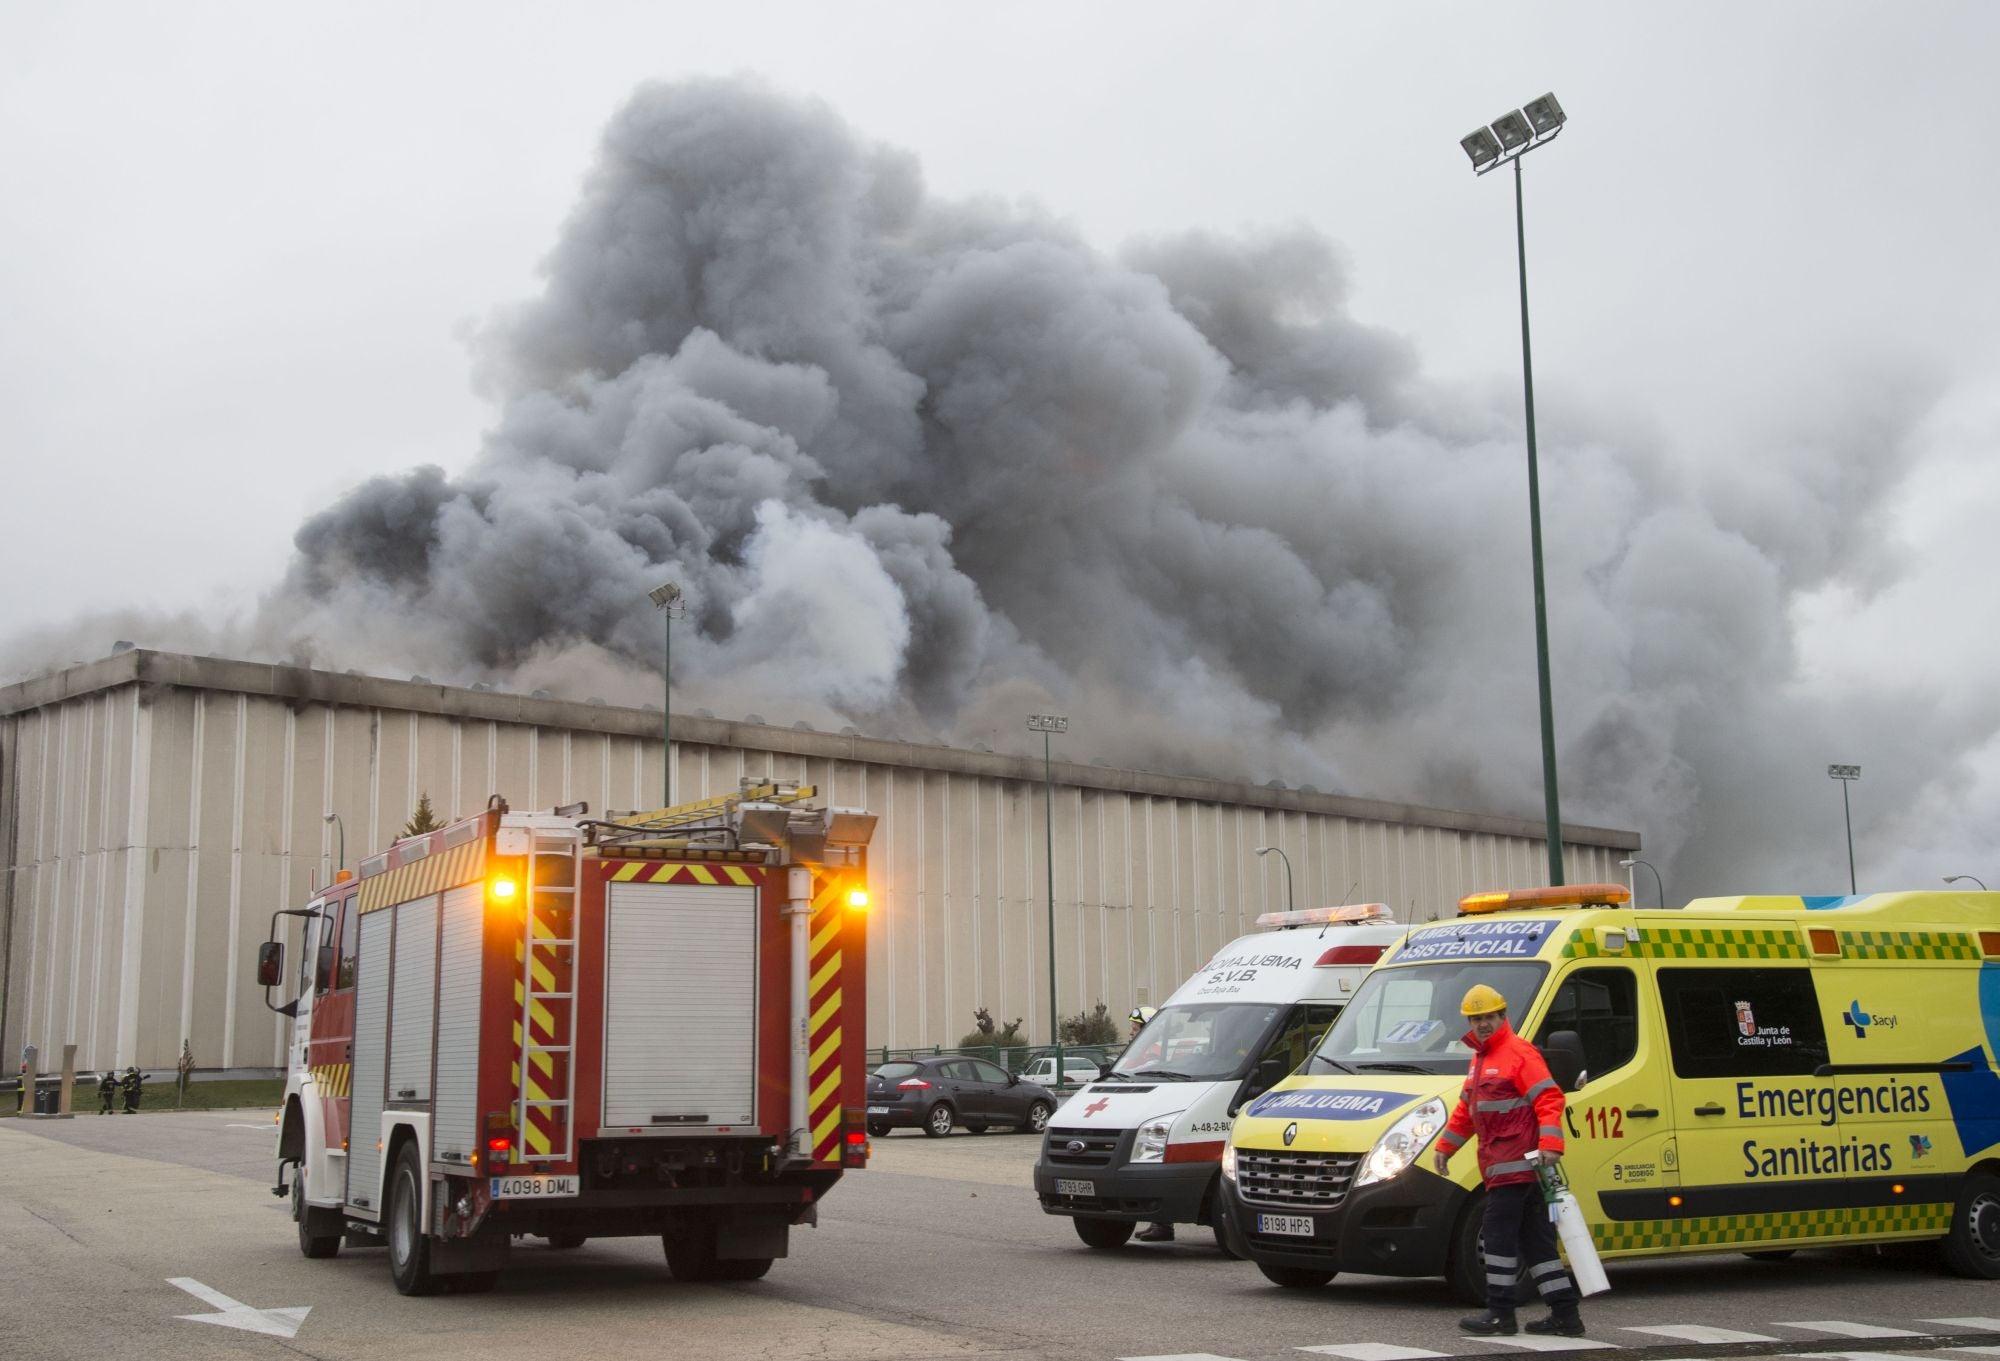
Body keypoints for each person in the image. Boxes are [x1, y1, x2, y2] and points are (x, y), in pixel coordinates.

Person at [1430, 984, 1583, 1338]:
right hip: (1510, 1168)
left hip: (1517, 1166)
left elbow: (1549, 1098)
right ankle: (1565, 1314)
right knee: (1536, 1243)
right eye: (1476, 1018)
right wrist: (1444, 1148)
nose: (1483, 1024)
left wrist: (1551, 1144)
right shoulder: (1481, 1060)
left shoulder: (1518, 1053)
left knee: (1497, 1238)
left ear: (1503, 1016)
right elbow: (1466, 1114)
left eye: (1489, 1017)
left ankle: (1500, 1313)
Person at [1124, 1007, 1175, 1244]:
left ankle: (1162, 1224)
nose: (1131, 1034)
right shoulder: (1139, 1052)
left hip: (1153, 1122)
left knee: (1154, 1170)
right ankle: (1158, 1223)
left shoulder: (1155, 1054)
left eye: (1135, 1030)